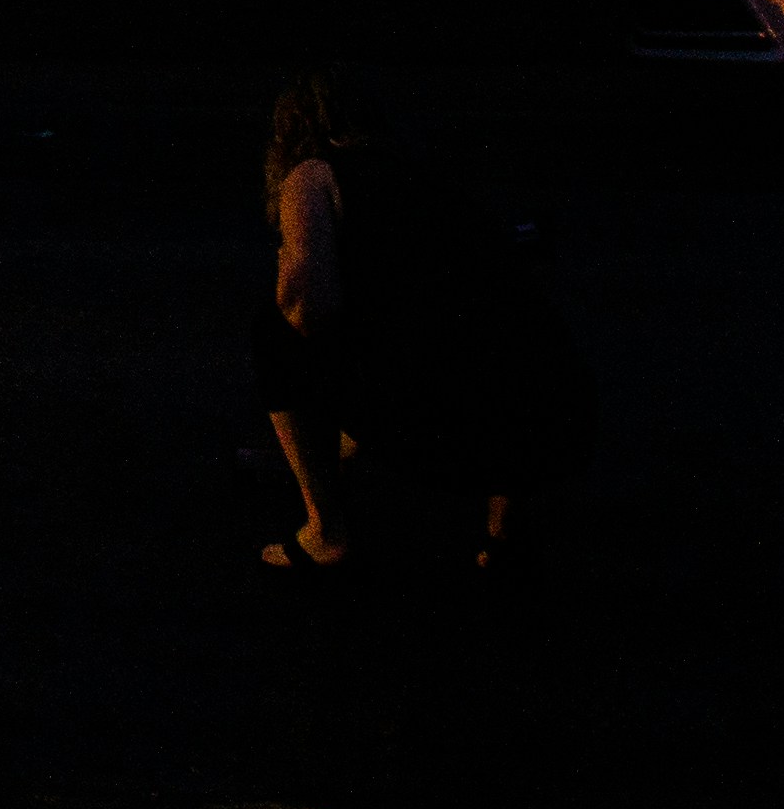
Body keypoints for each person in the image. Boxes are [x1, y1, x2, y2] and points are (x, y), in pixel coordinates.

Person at [250, 70, 584, 570]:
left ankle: (326, 531)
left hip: (442, 421)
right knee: (491, 330)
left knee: (275, 331)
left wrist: (288, 266)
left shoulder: (313, 174)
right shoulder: (432, 173)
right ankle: (502, 536)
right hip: (553, 411)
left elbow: (306, 307)